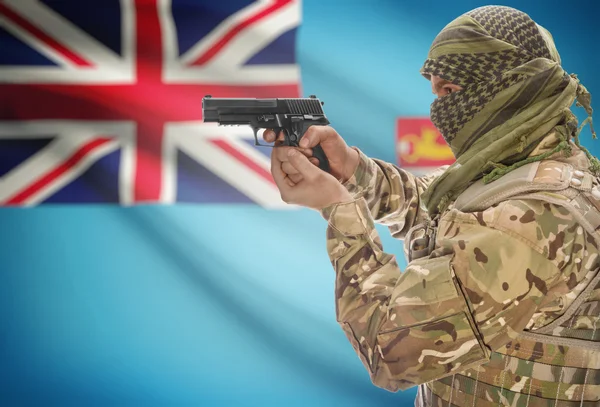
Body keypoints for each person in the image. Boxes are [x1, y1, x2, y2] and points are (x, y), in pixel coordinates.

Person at [264, 5, 600, 407]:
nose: (438, 109)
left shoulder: (535, 219)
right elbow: (431, 208)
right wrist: (351, 169)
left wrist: (339, 209)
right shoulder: (519, 168)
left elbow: (391, 354)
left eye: (450, 92)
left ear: (508, 85)